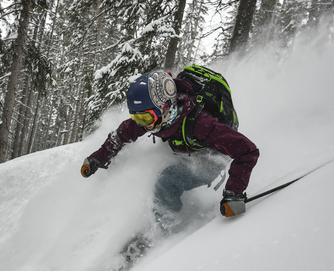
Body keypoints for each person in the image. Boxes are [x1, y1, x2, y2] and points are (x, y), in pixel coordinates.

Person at [80, 69, 259, 235]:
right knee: (155, 172)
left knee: (166, 181)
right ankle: (163, 219)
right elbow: (123, 132)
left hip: (213, 158)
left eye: (144, 118)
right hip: (187, 150)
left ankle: (166, 231)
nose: (140, 123)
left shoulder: (200, 124)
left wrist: (233, 194)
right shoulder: (158, 117)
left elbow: (247, 150)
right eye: (136, 117)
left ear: (165, 107)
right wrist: (98, 158)